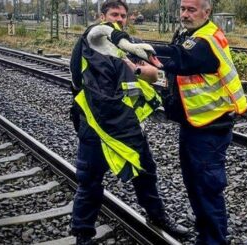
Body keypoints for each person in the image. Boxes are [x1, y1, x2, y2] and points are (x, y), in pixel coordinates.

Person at [69, 0, 188, 244]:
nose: (120, 19)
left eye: (123, 15)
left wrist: (137, 70)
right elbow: (90, 88)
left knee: (145, 172)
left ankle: (158, 217)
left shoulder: (128, 45)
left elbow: (155, 75)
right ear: (102, 16)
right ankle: (83, 234)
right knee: (90, 180)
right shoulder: (89, 43)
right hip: (96, 125)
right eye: (114, 14)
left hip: (129, 124)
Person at [147, 0, 247, 244]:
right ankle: (206, 236)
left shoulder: (205, 40)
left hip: (210, 129)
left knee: (206, 190)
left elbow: (179, 59)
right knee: (196, 187)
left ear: (207, 11)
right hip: (195, 125)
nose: (185, 14)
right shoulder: (188, 33)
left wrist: (135, 47)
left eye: (191, 10)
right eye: (182, 9)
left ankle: (213, 240)